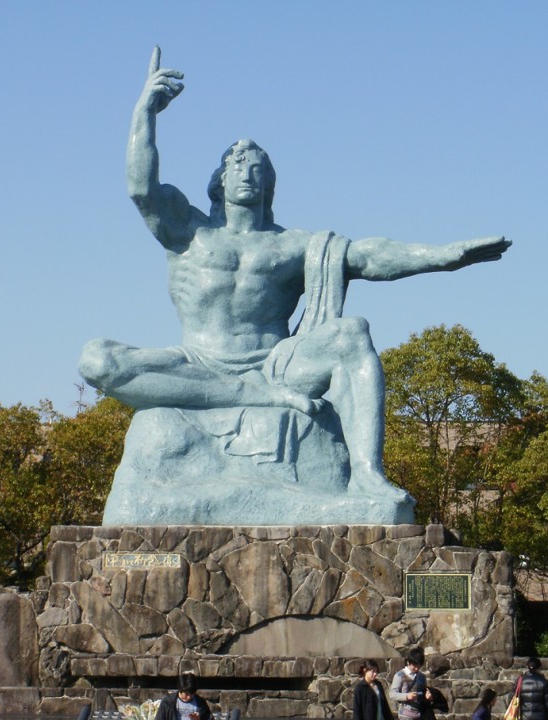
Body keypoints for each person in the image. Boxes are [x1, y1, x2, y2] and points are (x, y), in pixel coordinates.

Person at [79, 46, 510, 500]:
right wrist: (144, 112)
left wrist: (442, 255)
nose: (248, 173)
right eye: (238, 165)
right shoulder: (188, 231)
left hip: (274, 367)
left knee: (351, 334)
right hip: (198, 363)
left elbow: (367, 256)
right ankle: (249, 397)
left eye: (259, 169)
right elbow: (140, 188)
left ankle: (366, 475)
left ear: (269, 185)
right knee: (96, 359)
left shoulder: (292, 245)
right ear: (219, 180)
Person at [389, 648, 433, 720]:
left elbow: (424, 693)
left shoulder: (422, 677)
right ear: (408, 662)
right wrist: (406, 696)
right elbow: (392, 694)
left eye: (419, 666)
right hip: (405, 715)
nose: (416, 668)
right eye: (414, 666)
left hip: (420, 714)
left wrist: (428, 697)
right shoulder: (399, 675)